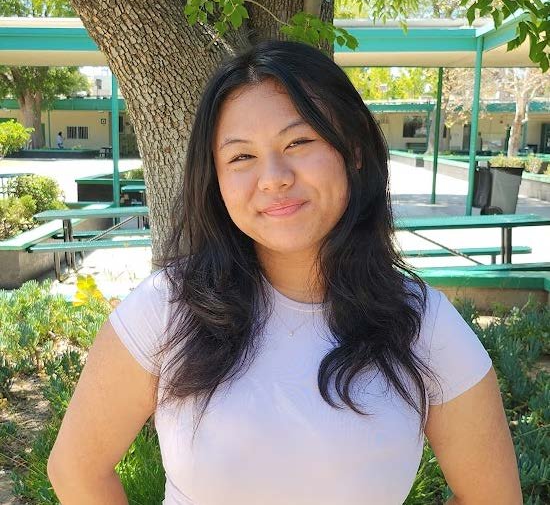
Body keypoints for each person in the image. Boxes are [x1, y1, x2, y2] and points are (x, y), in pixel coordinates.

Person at [47, 41, 522, 504]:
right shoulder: (168, 307)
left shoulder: (424, 325)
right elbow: (77, 468)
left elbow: (491, 495)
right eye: (241, 156)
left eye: (298, 142)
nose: (274, 177)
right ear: (215, 179)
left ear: (354, 149)